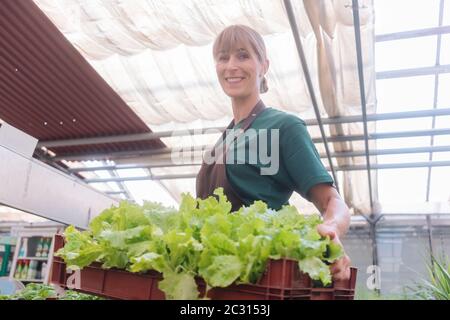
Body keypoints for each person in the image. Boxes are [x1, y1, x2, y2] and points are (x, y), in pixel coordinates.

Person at [196, 25, 351, 281]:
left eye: (243, 55)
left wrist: (331, 227)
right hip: (217, 279)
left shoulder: (284, 127)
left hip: (264, 277)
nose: (231, 65)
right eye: (223, 57)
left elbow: (332, 201)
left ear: (264, 66)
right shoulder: (221, 142)